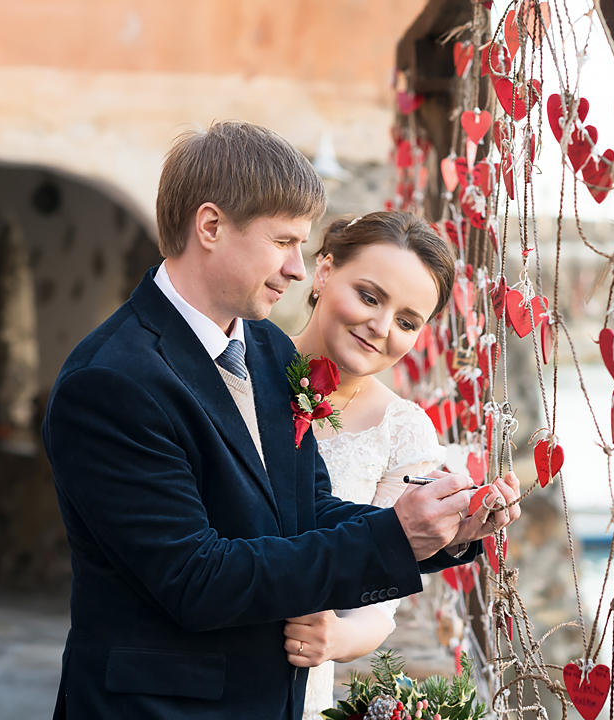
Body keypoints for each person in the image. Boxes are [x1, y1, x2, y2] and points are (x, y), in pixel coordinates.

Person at [42, 121, 519, 719]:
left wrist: (444, 531)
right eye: (284, 242)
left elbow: (309, 512)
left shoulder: (267, 350)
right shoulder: (111, 381)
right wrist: (391, 537)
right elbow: (197, 579)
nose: (297, 268)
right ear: (210, 226)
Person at [280, 212, 521, 718]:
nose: (381, 327)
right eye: (369, 296)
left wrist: (337, 638)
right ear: (323, 272)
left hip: (296, 682)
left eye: (408, 321)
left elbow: (382, 595)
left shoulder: (404, 429)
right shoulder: (242, 365)